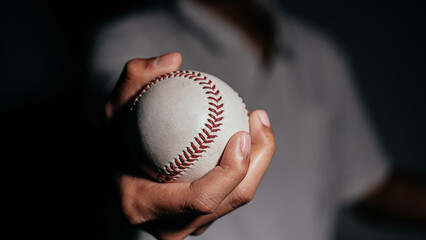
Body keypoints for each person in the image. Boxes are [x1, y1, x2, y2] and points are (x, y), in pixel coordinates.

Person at [85, 0, 425, 239]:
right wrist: (125, 152)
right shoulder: (131, 37)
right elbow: (120, 109)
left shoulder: (320, 53)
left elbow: (372, 186)